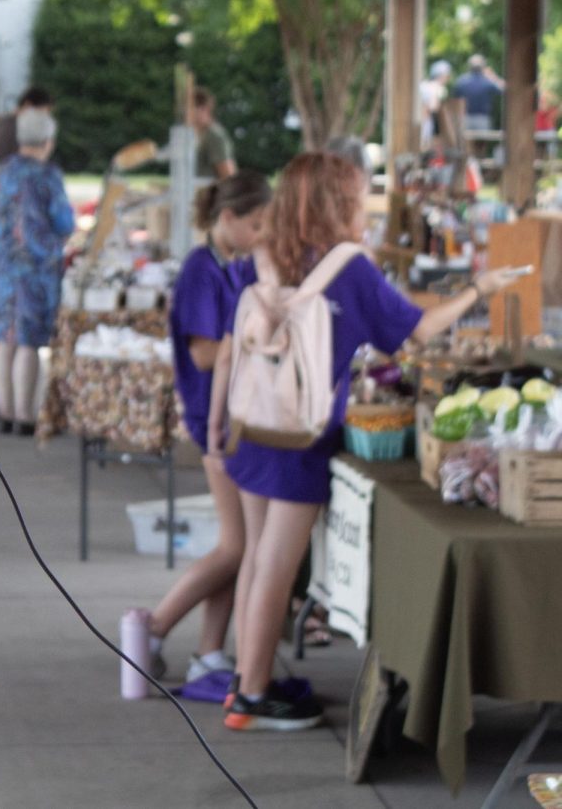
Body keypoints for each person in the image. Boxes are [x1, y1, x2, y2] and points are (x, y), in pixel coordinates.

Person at [207, 152, 523, 731]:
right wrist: (481, 287)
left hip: (251, 424)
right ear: (340, 203)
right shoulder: (349, 268)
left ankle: (243, 680)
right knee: (278, 562)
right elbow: (418, 332)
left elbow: (232, 344)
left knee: (257, 554)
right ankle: (253, 693)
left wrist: (215, 428)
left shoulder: (262, 258)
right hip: (302, 432)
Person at [143, 171, 270, 701]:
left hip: (232, 414)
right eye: (257, 224)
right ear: (227, 219)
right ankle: (152, 628)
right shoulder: (202, 269)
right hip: (213, 418)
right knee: (238, 545)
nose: (263, 234)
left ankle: (210, 652)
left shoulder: (233, 265)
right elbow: (202, 354)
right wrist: (262, 339)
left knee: (236, 546)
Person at [0, 107, 75, 435]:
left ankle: (5, 414)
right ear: (48, 140)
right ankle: (25, 416)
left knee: (3, 339)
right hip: (35, 267)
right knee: (28, 343)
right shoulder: (47, 174)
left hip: (2, 265)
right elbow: (64, 221)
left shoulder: (1, 173)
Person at [0, 86, 54, 164]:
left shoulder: (0, 121)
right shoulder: (12, 125)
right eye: (43, 112)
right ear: (28, 105)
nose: (46, 117)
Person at [192, 87, 237, 180]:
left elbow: (229, 176)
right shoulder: (197, 134)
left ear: (202, 109)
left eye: (188, 109)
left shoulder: (214, 135)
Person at [453, 54, 505, 133]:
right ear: (483, 67)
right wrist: (492, 76)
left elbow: (455, 99)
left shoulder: (461, 81)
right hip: (482, 119)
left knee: (465, 144)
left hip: (464, 118)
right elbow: (503, 89)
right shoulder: (487, 81)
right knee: (481, 144)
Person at [420, 60, 452, 147]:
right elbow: (433, 107)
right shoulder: (438, 88)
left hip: (422, 121)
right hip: (428, 121)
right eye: (446, 76)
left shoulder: (424, 85)